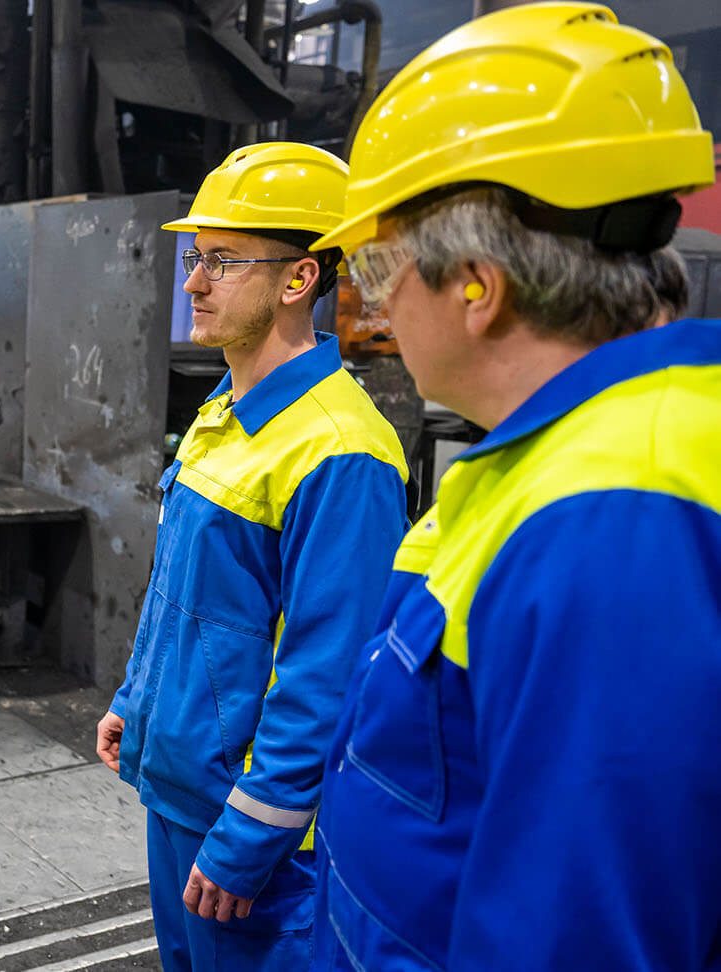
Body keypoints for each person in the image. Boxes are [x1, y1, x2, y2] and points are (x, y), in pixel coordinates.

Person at [306, 5, 720, 971]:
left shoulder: (616, 525)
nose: (370, 300)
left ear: (476, 288)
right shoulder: (558, 461)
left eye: (379, 263)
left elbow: (578, 939)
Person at [95, 142, 410, 971]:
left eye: (222, 261)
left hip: (255, 835)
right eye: (196, 258)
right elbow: (181, 592)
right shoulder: (223, 409)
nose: (193, 282)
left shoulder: (342, 452)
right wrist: (137, 699)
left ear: (298, 279)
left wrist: (251, 836)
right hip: (181, 788)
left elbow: (327, 673)